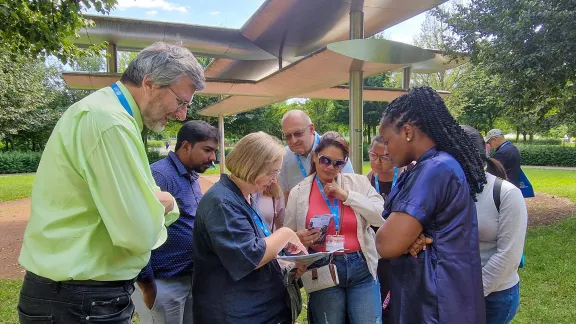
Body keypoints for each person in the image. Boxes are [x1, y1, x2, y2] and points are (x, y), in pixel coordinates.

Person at [17, 42, 205, 323]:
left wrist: (154, 203)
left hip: (71, 297)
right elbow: (137, 233)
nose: (181, 115)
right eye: (181, 102)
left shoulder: (104, 112)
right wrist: (165, 205)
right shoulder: (111, 122)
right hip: (81, 301)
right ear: (151, 83)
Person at [375, 86, 487, 324]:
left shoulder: (434, 169)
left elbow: (386, 243)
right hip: (442, 295)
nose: (385, 150)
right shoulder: (437, 164)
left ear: (407, 131)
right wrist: (411, 236)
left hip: (435, 304)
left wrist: (402, 239)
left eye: (387, 141)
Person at [192, 132, 307, 324]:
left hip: (259, 308)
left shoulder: (244, 196)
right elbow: (249, 256)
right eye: (271, 173)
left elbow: (254, 246)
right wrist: (285, 234)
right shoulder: (222, 202)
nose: (274, 180)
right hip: (236, 313)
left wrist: (286, 264)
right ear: (253, 167)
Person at [284, 131, 384, 323]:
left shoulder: (358, 183)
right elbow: (289, 236)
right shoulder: (299, 192)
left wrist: (347, 197)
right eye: (325, 160)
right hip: (323, 267)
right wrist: (299, 237)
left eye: (338, 163)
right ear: (315, 157)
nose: (331, 167)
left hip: (361, 265)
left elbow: (379, 217)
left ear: (344, 163)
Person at [132, 120, 219, 324]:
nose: (213, 158)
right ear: (186, 146)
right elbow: (138, 230)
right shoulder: (160, 175)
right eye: (207, 150)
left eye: (214, 151)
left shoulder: (191, 175)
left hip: (189, 279)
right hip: (163, 283)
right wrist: (147, 284)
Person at [462, 125, 527, 324]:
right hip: (454, 290)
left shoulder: (506, 194)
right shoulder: (446, 192)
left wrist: (469, 293)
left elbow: (509, 256)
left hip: (495, 295)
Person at [279, 110, 354, 199]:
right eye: (288, 136)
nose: (293, 141)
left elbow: (351, 189)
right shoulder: (284, 157)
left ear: (311, 129)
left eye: (298, 133)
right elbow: (285, 195)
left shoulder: (334, 147)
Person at [366, 135, 400, 323]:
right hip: (373, 254)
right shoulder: (364, 183)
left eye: (384, 157)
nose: (377, 162)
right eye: (373, 155)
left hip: (400, 254)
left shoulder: (406, 179)